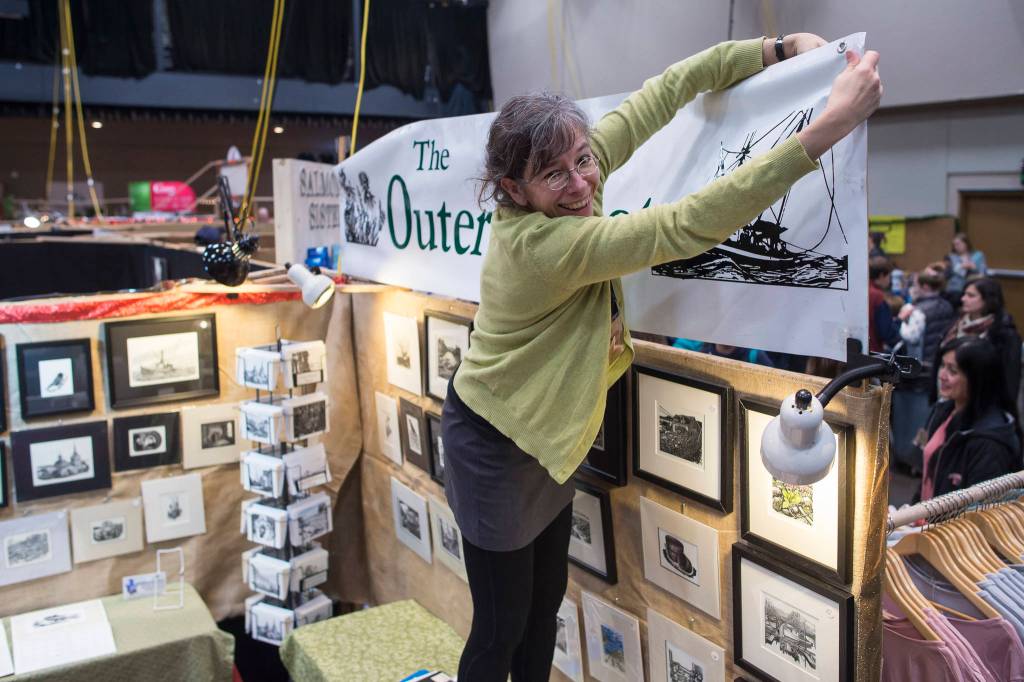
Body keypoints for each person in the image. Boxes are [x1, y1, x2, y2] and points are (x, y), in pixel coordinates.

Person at [441, 33, 882, 681]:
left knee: (542, 611)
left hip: (548, 438)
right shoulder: (542, 245)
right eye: (553, 174)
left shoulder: (577, 170)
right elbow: (684, 227)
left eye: (584, 159)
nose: (580, 181)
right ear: (512, 188)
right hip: (496, 446)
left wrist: (775, 49)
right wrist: (830, 127)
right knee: (500, 628)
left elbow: (669, 88)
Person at [917, 337, 1022, 500]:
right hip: (925, 520)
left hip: (955, 525)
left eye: (952, 370)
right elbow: (928, 476)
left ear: (977, 379)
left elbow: (982, 511)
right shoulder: (943, 410)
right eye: (942, 366)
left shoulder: (990, 443)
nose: (942, 375)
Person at [890, 266, 956, 468]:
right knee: (928, 417)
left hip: (918, 372)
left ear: (925, 286)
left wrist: (902, 319)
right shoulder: (946, 306)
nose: (912, 289)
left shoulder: (918, 312)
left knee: (912, 419)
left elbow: (911, 336)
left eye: (915, 285)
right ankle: (925, 457)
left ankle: (911, 460)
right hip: (935, 367)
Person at [942, 276, 1022, 401]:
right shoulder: (956, 324)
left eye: (970, 295)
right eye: (964, 294)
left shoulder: (1004, 335)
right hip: (948, 397)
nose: (963, 299)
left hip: (983, 401)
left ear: (988, 300)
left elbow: (1010, 379)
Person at [868, 256, 901, 352]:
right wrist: (899, 321)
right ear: (882, 275)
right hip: (874, 350)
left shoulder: (863, 291)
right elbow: (886, 332)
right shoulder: (877, 296)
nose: (890, 280)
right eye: (889, 276)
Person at [945, 232, 987, 297]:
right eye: (954, 245)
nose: (956, 247)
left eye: (958, 244)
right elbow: (947, 275)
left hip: (973, 289)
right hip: (955, 290)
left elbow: (983, 273)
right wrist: (960, 267)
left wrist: (973, 268)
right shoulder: (950, 257)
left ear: (966, 243)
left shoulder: (978, 256)